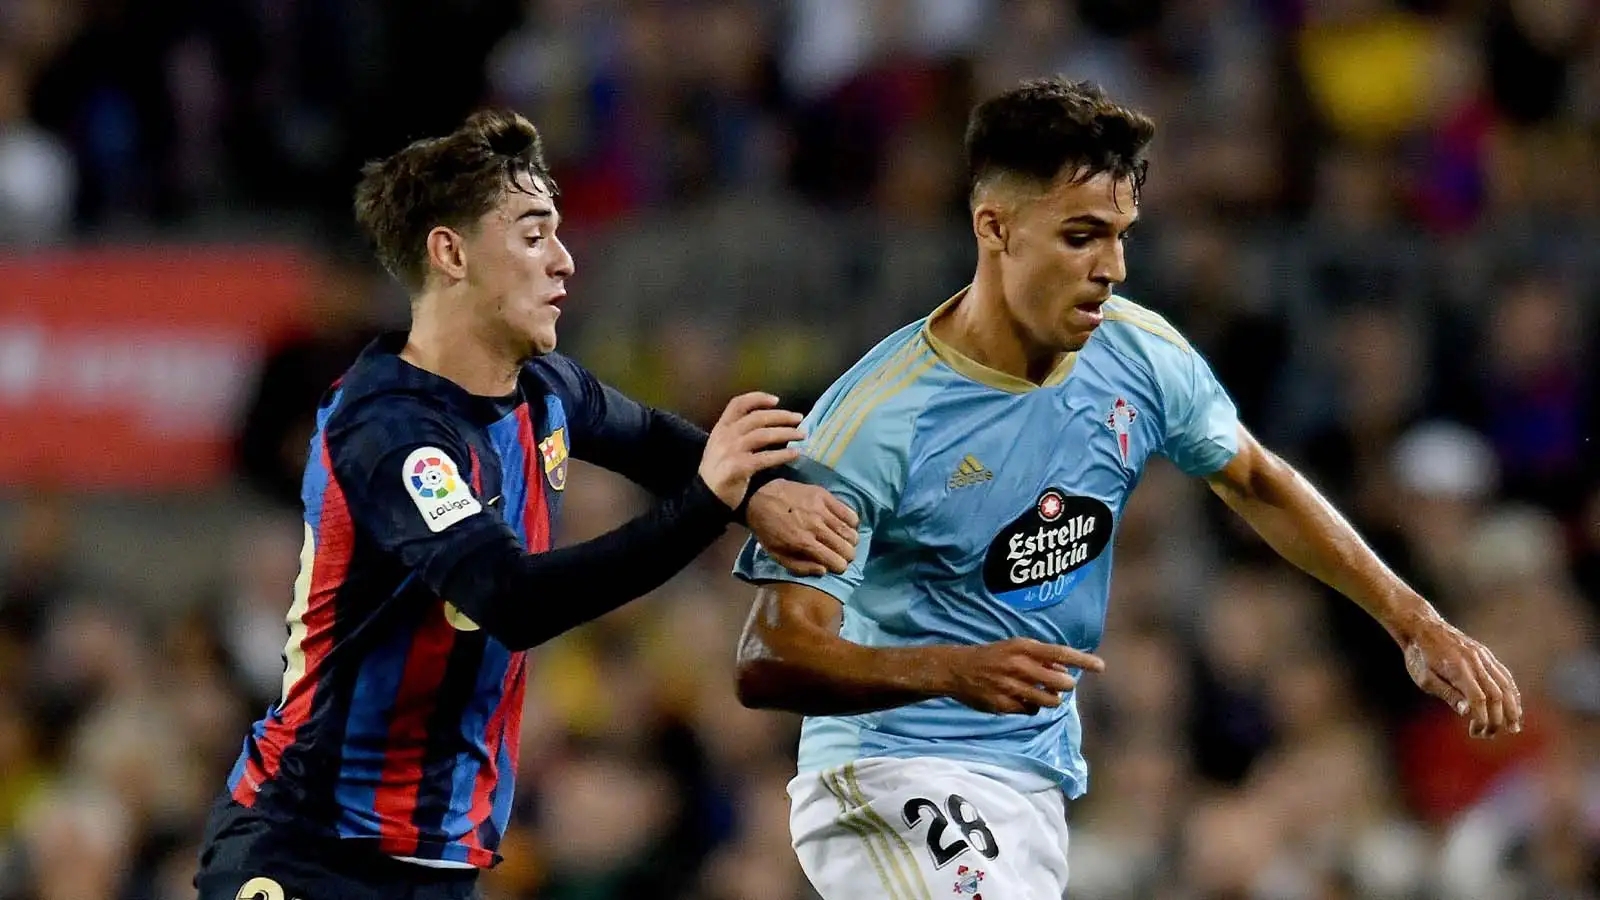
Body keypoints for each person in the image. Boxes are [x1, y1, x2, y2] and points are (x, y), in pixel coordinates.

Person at [731, 77, 1524, 900]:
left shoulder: (1138, 356)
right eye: (1080, 237)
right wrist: (951, 670)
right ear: (994, 227)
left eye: (1120, 236)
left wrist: (1415, 621)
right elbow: (769, 657)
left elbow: (1255, 478)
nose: (1111, 267)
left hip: (1030, 786)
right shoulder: (877, 421)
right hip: (888, 776)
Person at [194, 109, 860, 900]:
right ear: (452, 253)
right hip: (308, 850)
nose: (566, 262)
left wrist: (761, 495)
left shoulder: (545, 389)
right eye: (535, 235)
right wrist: (712, 500)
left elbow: (652, 438)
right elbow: (510, 598)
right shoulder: (392, 432)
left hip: (438, 864)